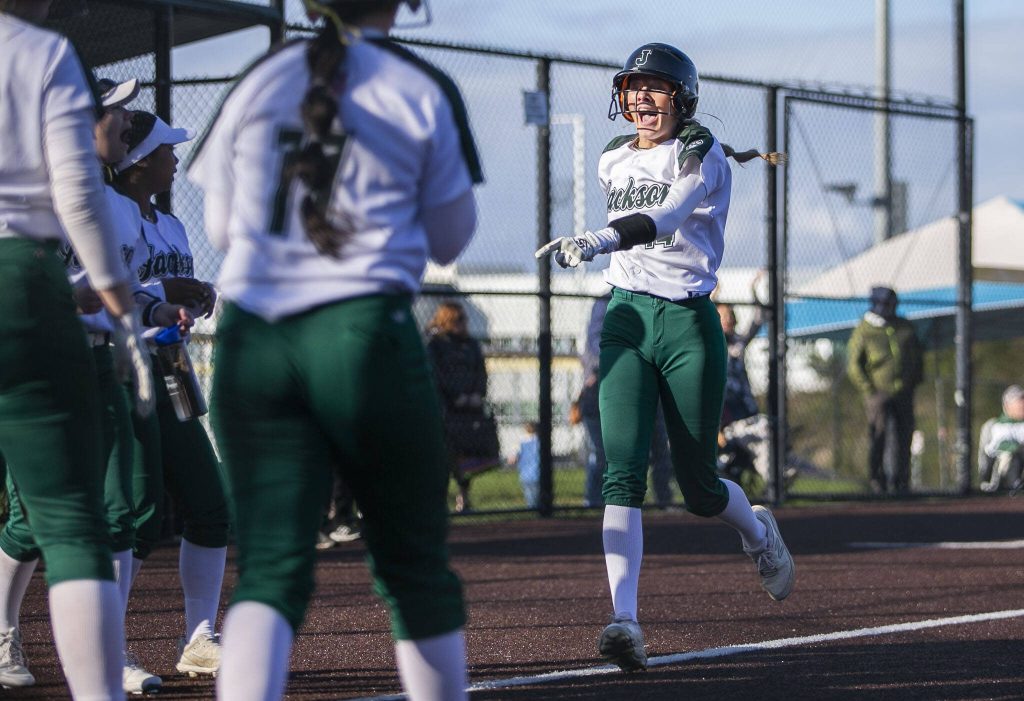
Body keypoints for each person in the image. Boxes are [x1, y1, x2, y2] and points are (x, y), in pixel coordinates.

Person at [187, 0, 481, 698]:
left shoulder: (259, 76)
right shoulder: (419, 85)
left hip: (252, 332)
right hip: (360, 331)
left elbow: (224, 227)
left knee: (268, 569)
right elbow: (451, 238)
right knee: (413, 567)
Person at [536, 42, 794, 673]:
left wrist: (597, 238)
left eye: (657, 88)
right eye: (633, 87)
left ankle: (758, 532)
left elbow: (670, 213)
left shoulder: (698, 149)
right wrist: (605, 250)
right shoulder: (611, 156)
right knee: (621, 470)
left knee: (699, 486)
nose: (643, 99)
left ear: (683, 97)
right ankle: (624, 620)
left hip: (686, 322)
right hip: (625, 317)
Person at [0, 77, 194, 694]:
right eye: (115, 112)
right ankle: (7, 631)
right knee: (42, 516)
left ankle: (106, 662)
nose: (125, 121)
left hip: (94, 358)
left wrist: (149, 307)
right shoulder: (36, 188)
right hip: (34, 361)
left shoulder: (91, 194)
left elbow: (97, 284)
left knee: (120, 506)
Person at [113, 110, 229, 681]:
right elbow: (101, 292)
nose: (174, 160)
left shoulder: (173, 226)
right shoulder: (107, 214)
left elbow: (166, 295)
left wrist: (196, 297)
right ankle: (110, 648)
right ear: (137, 164)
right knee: (135, 513)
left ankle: (199, 639)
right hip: (120, 372)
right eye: (165, 151)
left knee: (210, 505)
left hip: (171, 370)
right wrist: (162, 293)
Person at [579, 293, 673, 508]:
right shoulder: (607, 301)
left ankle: (664, 501)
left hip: (646, 386)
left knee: (659, 449)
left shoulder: (655, 297)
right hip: (609, 385)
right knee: (606, 453)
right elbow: (596, 342)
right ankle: (594, 503)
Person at [847, 286, 923, 495]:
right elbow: (854, 364)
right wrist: (868, 389)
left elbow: (917, 356)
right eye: (886, 304)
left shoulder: (904, 327)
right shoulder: (865, 330)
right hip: (878, 393)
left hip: (904, 391)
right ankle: (877, 481)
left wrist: (914, 381)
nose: (890, 308)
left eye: (892, 304)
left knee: (904, 436)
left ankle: (901, 482)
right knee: (878, 435)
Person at [426, 301, 500, 513]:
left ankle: (464, 497)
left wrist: (475, 395)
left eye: (463, 319)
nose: (462, 324)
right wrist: (454, 396)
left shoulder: (471, 345)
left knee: (467, 457)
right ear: (446, 321)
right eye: (457, 320)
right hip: (447, 410)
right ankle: (440, 501)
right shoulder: (436, 345)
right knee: (443, 457)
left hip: (470, 410)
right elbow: (436, 375)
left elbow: (481, 373)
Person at [978, 384, 1024, 492]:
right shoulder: (995, 425)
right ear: (1007, 405)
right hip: (1003, 471)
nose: (1022, 404)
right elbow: (990, 451)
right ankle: (1014, 486)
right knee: (1010, 456)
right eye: (1019, 401)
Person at [509, 422, 541, 509]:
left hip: (526, 474)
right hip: (539, 473)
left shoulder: (521, 443)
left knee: (529, 495)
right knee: (538, 494)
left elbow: (513, 459)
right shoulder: (539, 442)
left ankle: (532, 509)